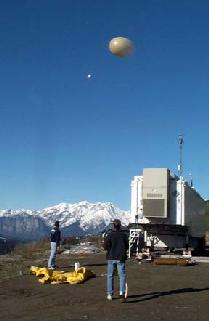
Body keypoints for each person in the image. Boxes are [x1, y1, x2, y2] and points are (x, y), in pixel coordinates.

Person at [104, 219, 129, 302]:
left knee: (110, 276)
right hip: (120, 258)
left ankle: (110, 294)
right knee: (122, 276)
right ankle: (122, 293)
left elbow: (106, 247)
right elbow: (127, 246)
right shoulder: (124, 235)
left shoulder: (110, 235)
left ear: (113, 226)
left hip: (111, 257)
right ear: (120, 226)